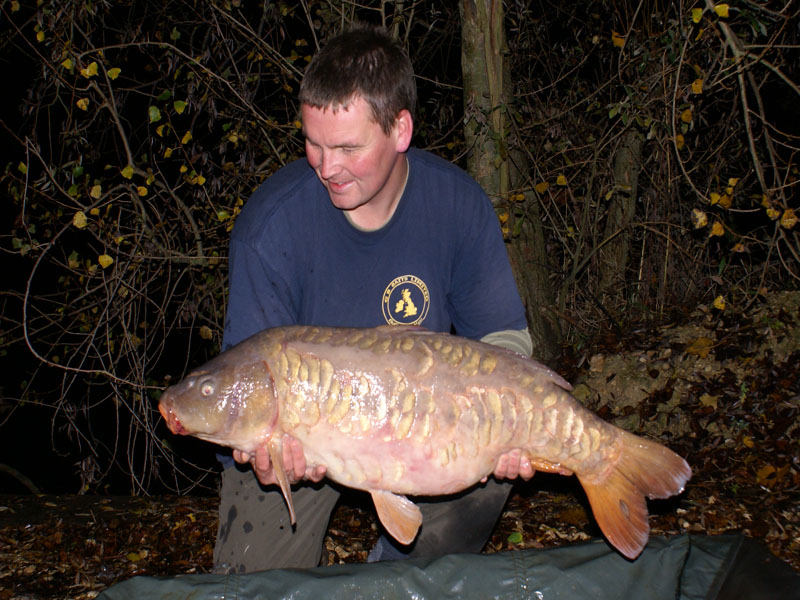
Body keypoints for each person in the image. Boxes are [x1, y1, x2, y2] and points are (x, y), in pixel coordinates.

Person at [213, 24, 535, 574]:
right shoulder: (269, 228)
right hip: (309, 441)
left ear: (400, 130)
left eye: (347, 147)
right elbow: (243, 386)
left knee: (485, 465)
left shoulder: (457, 205)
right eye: (313, 143)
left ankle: (393, 576)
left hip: (418, 427)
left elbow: (505, 338)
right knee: (255, 581)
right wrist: (265, 455)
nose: (325, 166)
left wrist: (513, 417)